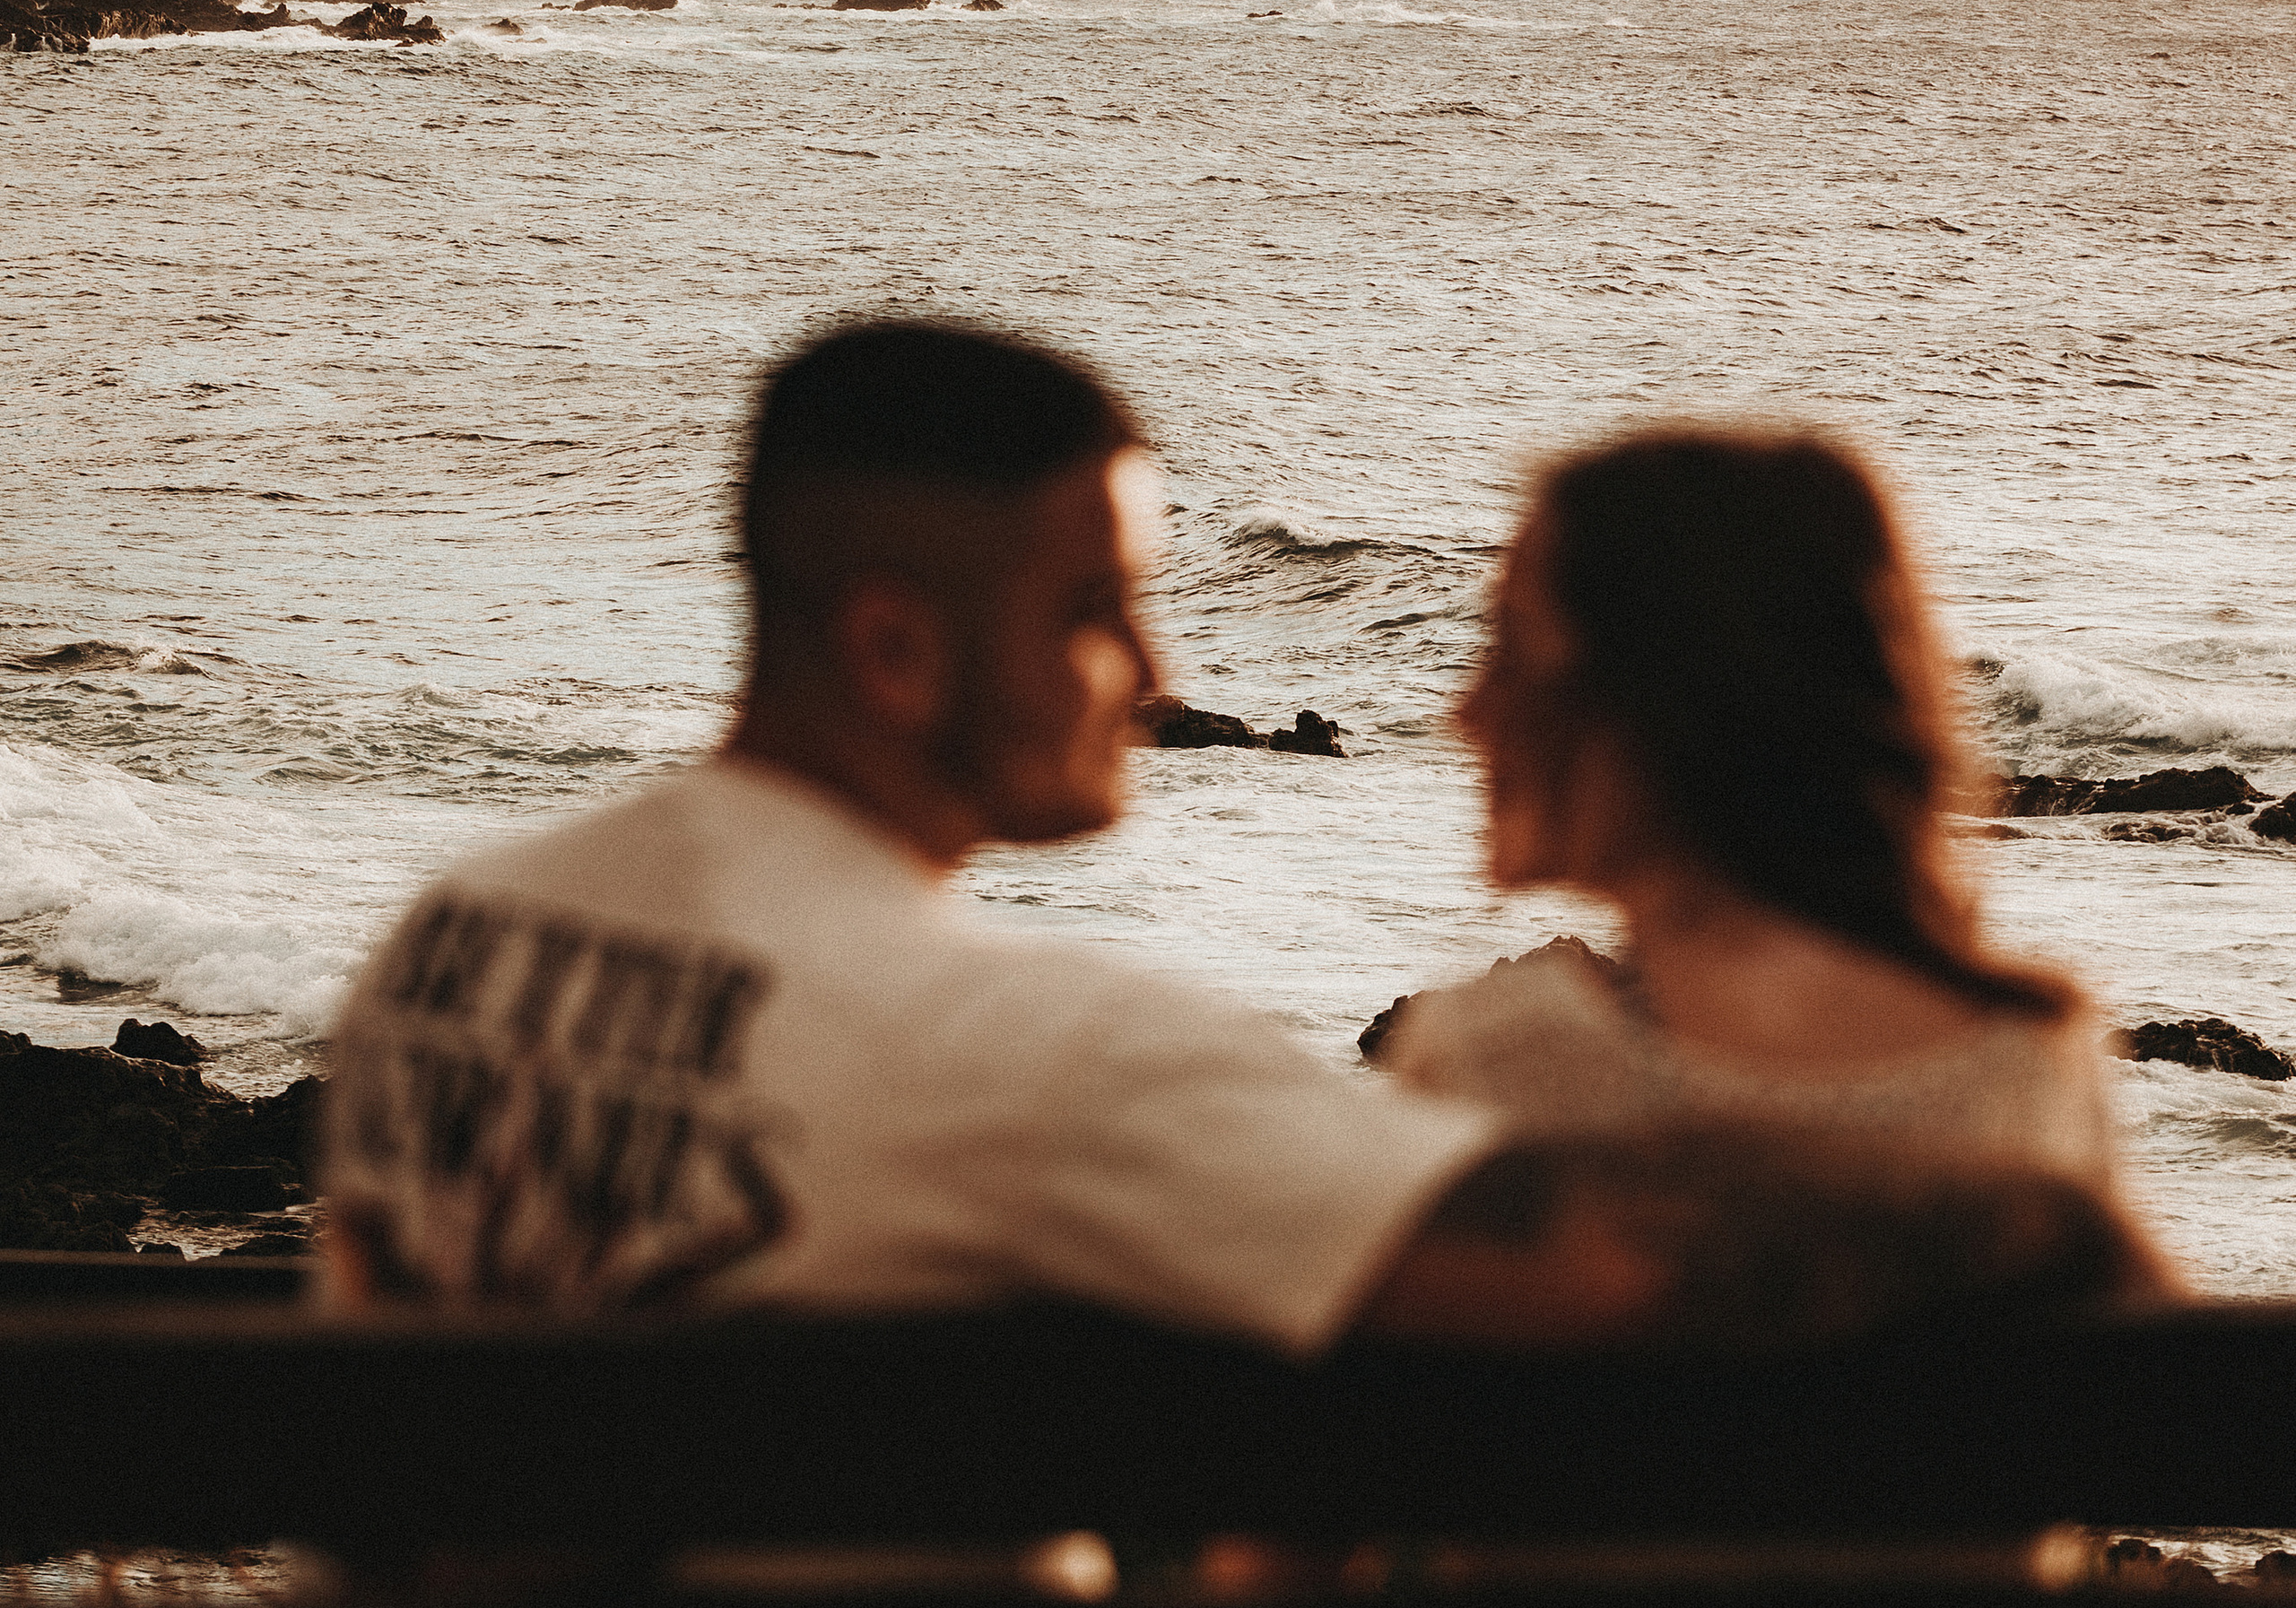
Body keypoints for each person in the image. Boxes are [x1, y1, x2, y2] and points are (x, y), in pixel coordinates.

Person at [321, 331, 2144, 1348]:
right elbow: (1615, 1264)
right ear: (893, 649)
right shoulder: (1026, 1055)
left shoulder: (452, 934)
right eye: (1095, 610)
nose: (1157, 674)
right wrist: (2042, 1188)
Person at [1383, 427, 2163, 1269]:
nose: (1467, 711)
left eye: (1514, 651)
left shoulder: (1500, 1060)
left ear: (1670, 698)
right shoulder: (2033, 1067)